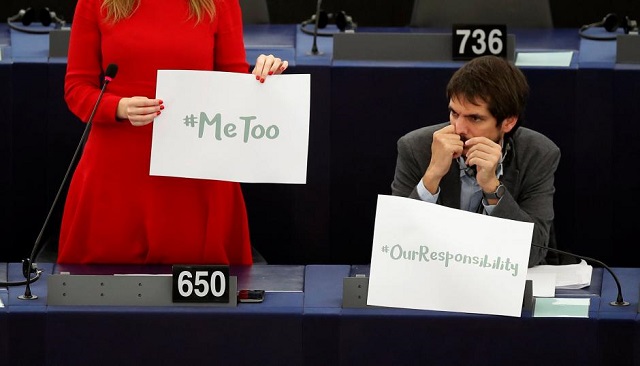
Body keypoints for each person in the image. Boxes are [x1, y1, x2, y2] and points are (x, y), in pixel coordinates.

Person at [58, 0, 288, 265]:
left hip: (193, 175)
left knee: (200, 300)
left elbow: (232, 84)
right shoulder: (94, 2)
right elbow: (76, 87)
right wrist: (118, 107)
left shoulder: (220, 3)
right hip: (117, 172)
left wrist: (262, 77)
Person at [390, 55, 559, 268]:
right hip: (432, 276)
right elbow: (394, 244)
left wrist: (492, 187)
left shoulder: (537, 154)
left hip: (499, 278)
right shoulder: (416, 148)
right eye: (454, 113)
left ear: (508, 121)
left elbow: (534, 253)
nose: (459, 128)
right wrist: (431, 177)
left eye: (475, 118)